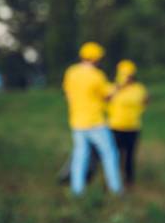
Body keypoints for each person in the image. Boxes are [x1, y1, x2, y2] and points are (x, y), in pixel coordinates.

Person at [63, 42, 123, 196]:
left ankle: (77, 190)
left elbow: (68, 95)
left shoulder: (71, 72)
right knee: (109, 154)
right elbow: (107, 96)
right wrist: (117, 86)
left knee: (80, 155)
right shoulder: (97, 75)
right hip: (95, 122)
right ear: (96, 58)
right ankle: (116, 189)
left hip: (76, 121)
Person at [108, 60, 148, 188]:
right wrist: (119, 87)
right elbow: (106, 100)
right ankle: (114, 181)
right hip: (116, 127)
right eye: (125, 74)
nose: (128, 77)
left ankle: (129, 181)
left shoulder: (138, 88)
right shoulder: (113, 88)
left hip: (133, 127)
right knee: (115, 156)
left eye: (129, 75)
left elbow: (145, 101)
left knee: (130, 157)